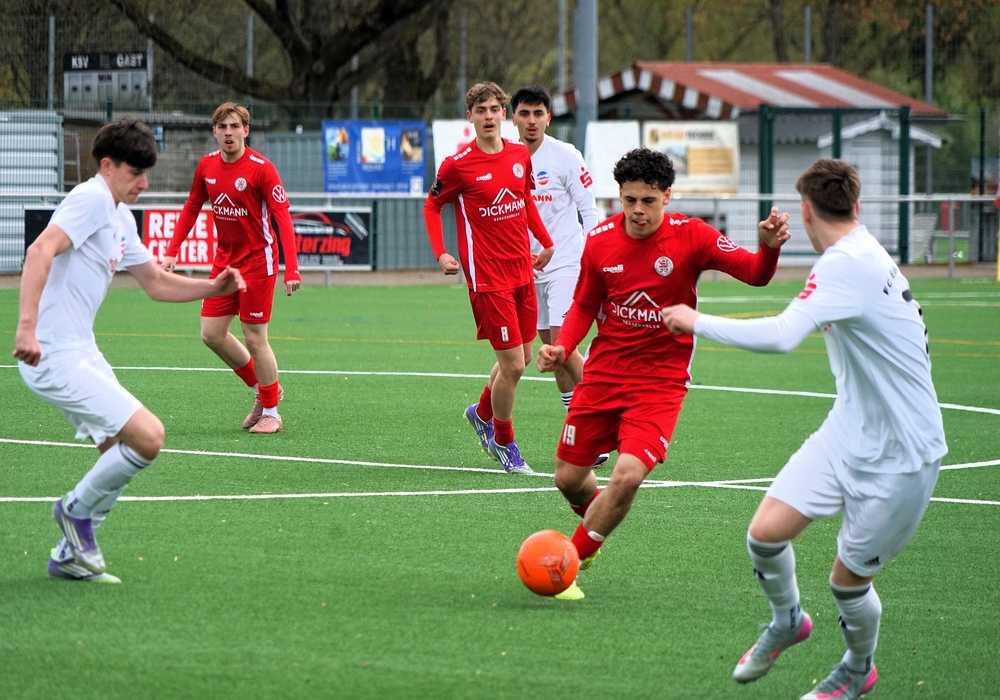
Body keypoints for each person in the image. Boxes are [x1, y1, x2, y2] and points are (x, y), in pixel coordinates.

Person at [661, 159, 947, 700]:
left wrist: (696, 320)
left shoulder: (845, 263)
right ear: (856, 207)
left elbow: (783, 335)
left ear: (807, 211)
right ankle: (788, 620)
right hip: (850, 429)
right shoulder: (861, 247)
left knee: (847, 582)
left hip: (903, 453)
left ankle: (859, 667)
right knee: (765, 534)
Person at [536, 148, 790, 600]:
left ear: (667, 196)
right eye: (629, 199)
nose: (637, 210)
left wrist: (768, 248)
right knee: (567, 479)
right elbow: (584, 305)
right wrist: (563, 347)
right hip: (603, 376)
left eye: (647, 201)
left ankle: (570, 561)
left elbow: (754, 274)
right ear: (618, 196)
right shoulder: (598, 241)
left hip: (660, 383)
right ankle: (597, 522)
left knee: (628, 476)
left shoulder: (692, 237)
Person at [13, 117, 246, 584]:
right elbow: (39, 252)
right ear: (107, 165)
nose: (143, 183)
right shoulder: (91, 198)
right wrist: (26, 329)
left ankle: (70, 555)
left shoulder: (118, 213)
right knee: (148, 436)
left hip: (81, 349)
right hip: (53, 353)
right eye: (135, 172)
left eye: (146, 173)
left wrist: (212, 287)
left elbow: (155, 283)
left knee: (115, 450)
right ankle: (73, 514)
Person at [424, 82, 555, 474]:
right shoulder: (457, 164)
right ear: (470, 118)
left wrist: (545, 243)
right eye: (480, 110)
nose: (488, 116)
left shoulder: (519, 155)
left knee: (525, 358)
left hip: (522, 271)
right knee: (513, 365)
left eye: (495, 109)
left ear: (504, 115)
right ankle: (503, 440)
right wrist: (441, 252)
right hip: (487, 278)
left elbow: (525, 200)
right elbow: (432, 206)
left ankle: (481, 412)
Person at [162, 102, 301, 434]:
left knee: (254, 338)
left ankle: (272, 412)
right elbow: (193, 204)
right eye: (222, 127)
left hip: (258, 264)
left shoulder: (262, 169)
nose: (228, 132)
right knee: (211, 334)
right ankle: (263, 390)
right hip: (224, 266)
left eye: (235, 126)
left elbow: (282, 219)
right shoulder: (207, 165)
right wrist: (172, 250)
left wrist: (291, 268)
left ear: (246, 131)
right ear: (214, 131)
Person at [510, 85, 599, 413]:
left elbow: (589, 210)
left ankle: (603, 410)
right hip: (526, 271)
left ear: (548, 118)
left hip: (565, 263)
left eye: (538, 114)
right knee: (552, 348)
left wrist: (591, 255)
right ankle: (576, 421)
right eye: (524, 114)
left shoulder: (566, 156)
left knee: (563, 344)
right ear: (513, 119)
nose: (531, 121)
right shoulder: (506, 159)